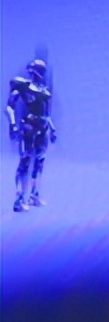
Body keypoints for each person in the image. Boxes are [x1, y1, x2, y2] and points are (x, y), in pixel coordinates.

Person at [7, 58, 57, 213]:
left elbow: (46, 113)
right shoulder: (24, 86)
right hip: (29, 126)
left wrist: (52, 128)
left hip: (42, 127)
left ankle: (34, 194)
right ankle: (19, 199)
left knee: (39, 160)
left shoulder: (43, 90)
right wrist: (13, 124)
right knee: (26, 159)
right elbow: (9, 107)